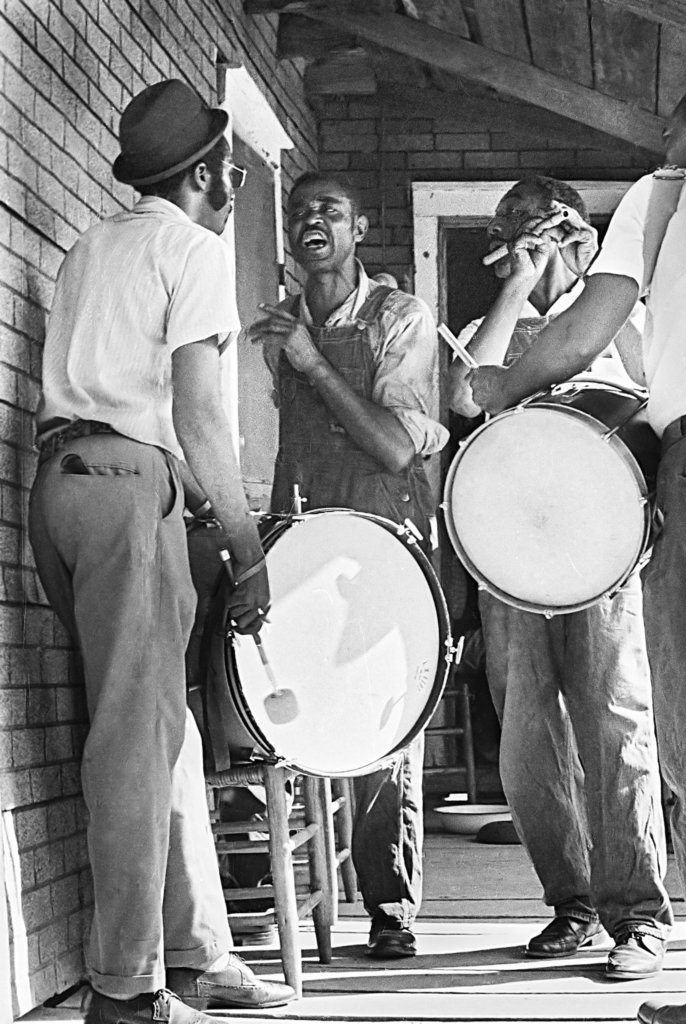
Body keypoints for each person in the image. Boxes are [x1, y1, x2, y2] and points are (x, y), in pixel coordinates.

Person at [468, 75, 686, 1024]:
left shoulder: (666, 194)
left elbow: (579, 334)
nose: (662, 142)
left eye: (669, 127)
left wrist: (501, 385)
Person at [28, 80, 296, 1024]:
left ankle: (190, 954)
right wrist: (247, 544)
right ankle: (128, 994)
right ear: (202, 175)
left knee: (149, 727)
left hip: (56, 489)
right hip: (128, 488)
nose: (233, 186)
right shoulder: (193, 250)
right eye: (227, 169)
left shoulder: (93, 245)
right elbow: (199, 414)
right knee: (137, 743)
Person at [448, 176, 672, 979]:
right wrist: (512, 289)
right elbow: (462, 398)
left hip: (604, 556)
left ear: (577, 236)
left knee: (616, 725)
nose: (533, 248)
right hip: (510, 563)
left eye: (545, 233)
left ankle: (638, 916)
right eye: (515, 234)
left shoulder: (619, 319)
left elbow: (660, 411)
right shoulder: (487, 328)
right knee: (528, 738)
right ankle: (571, 905)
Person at [246, 171, 448, 959]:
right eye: (297, 213)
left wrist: (312, 364)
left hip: (382, 533)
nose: (309, 221)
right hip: (301, 527)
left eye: (327, 209)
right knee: (296, 701)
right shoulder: (275, 326)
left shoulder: (398, 316)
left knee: (380, 716)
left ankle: (389, 907)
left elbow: (397, 443)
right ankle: (292, 894)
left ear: (359, 227)